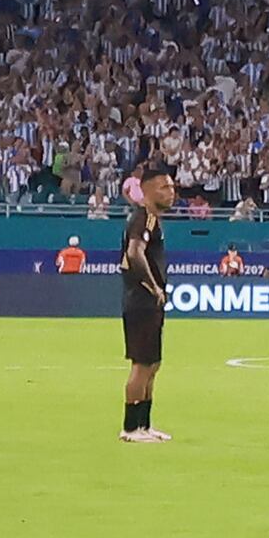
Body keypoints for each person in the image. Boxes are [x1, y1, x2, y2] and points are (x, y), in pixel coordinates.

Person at [118, 176, 171, 443]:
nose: (171, 192)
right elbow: (134, 253)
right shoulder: (144, 218)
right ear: (147, 191)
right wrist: (153, 287)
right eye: (164, 187)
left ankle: (145, 425)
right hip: (141, 301)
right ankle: (130, 428)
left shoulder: (150, 219)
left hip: (149, 303)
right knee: (141, 365)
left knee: (153, 364)